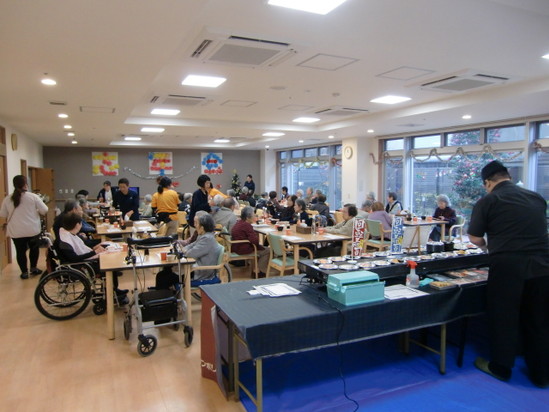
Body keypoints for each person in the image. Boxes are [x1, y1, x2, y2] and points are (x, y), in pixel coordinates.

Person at [468, 160, 549, 388]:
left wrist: (487, 247)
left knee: (504, 317)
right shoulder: (536, 197)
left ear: (487, 182)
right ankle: (541, 374)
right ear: (508, 177)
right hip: (543, 266)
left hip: (508, 267)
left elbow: (474, 237)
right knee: (540, 320)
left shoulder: (488, 200)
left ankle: (501, 367)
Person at [58, 212, 128, 302]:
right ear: (77, 225)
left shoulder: (68, 234)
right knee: (110, 267)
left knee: (109, 258)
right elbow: (75, 258)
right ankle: (112, 295)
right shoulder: (67, 241)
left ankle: (114, 290)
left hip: (83, 261)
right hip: (82, 265)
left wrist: (94, 248)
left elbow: (82, 248)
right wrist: (94, 252)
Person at [0, 175, 48, 279]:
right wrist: (36, 211)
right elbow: (44, 210)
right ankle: (33, 268)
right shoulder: (33, 197)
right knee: (34, 249)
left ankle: (24, 272)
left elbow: (3, 214)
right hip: (32, 229)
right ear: (26, 184)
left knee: (20, 251)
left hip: (16, 231)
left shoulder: (8, 199)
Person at [180, 214, 222, 286]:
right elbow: (189, 246)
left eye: (196, 223)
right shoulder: (203, 236)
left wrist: (184, 251)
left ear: (202, 228)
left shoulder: (207, 239)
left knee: (168, 277)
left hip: (200, 271)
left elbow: (190, 254)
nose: (194, 225)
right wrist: (185, 250)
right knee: (168, 274)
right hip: (195, 267)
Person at [231, 206, 270, 277]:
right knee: (268, 250)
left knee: (263, 248)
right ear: (247, 218)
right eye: (253, 216)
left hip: (236, 246)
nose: (254, 217)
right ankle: (259, 271)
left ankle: (256, 269)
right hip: (243, 248)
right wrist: (259, 245)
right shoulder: (247, 226)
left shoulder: (239, 222)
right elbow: (254, 241)